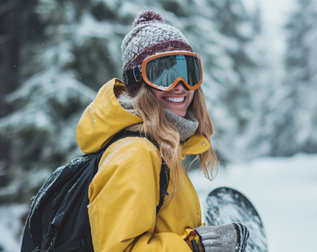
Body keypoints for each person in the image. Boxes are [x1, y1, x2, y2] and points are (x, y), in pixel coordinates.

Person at [76, 9, 249, 252]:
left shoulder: (161, 149)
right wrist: (195, 247)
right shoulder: (135, 154)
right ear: (140, 82)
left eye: (187, 73)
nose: (180, 86)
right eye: (163, 74)